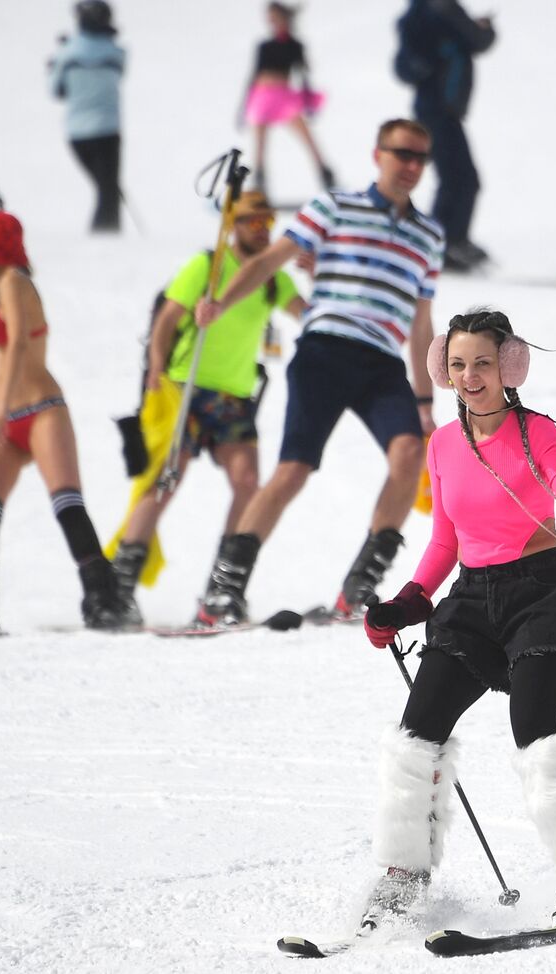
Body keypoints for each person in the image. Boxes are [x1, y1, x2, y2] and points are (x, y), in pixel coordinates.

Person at [357, 310, 556, 927]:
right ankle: (404, 876)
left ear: (509, 366)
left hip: (542, 594)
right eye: (457, 365)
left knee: (536, 728)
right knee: (417, 734)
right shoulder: (441, 443)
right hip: (471, 599)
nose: (469, 376)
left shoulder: (536, 431)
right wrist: (407, 603)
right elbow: (443, 543)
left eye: (482, 363)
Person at [190, 119, 443, 626]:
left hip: (381, 359)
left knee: (411, 451)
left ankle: (360, 587)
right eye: (402, 154)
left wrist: (424, 398)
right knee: (293, 470)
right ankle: (222, 591)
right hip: (325, 347)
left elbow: (421, 323)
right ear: (379, 154)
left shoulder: (429, 234)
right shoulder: (334, 206)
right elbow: (269, 263)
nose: (412, 166)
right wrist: (221, 300)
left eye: (420, 158)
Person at [0, 212, 135, 636]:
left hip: (39, 409)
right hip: (5, 418)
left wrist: (2, 407)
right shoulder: (2, 287)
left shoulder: (15, 283)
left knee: (66, 503)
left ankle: (103, 597)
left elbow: (17, 345)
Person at [105, 192, 305, 605]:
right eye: (252, 222)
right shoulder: (208, 266)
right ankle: (118, 588)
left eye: (266, 222)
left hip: (234, 394)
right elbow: (168, 319)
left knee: (247, 483)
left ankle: (222, 585)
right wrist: (156, 373)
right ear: (233, 223)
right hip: (186, 386)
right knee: (164, 481)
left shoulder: (272, 276)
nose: (261, 230)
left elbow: (307, 311)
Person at [396, 0, 496, 272]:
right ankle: (439, 246)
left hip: (447, 111)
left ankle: (450, 242)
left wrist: (485, 30)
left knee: (462, 179)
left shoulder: (448, 8)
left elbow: (476, 41)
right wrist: (426, 61)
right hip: (433, 110)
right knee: (457, 179)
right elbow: (404, 66)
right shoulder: (420, 14)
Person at [48, 0, 126, 233]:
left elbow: (55, 90)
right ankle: (106, 238)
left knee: (106, 190)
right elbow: (120, 69)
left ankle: (104, 238)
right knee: (108, 191)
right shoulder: (115, 52)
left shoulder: (67, 54)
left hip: (77, 134)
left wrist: (61, 56)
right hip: (107, 131)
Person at [242, 2, 336, 193]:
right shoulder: (265, 46)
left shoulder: (294, 46)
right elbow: (254, 75)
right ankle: (260, 181)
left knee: (306, 136)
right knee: (260, 141)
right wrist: (244, 105)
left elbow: (303, 75)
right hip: (262, 95)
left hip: (282, 95)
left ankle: (325, 173)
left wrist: (309, 101)